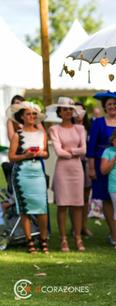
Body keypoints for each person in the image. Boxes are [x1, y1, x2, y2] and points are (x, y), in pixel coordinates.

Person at [87, 91, 116, 246]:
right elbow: (91, 145)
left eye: (114, 104)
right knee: (107, 198)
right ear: (105, 107)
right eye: (109, 104)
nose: (112, 107)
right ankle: (114, 233)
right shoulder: (98, 122)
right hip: (103, 161)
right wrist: (92, 167)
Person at [7, 102, 49, 253]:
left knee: (42, 207)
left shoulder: (41, 134)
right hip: (22, 173)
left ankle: (43, 240)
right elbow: (11, 157)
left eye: (34, 114)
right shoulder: (18, 135)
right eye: (28, 114)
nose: (32, 116)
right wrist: (25, 155)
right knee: (25, 208)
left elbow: (47, 153)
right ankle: (29, 241)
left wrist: (39, 154)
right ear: (22, 117)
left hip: (37, 172)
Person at [47, 97, 87, 252]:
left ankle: (77, 237)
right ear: (59, 112)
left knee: (77, 205)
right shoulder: (54, 129)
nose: (68, 112)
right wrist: (73, 152)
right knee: (63, 205)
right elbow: (58, 151)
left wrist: (71, 151)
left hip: (77, 169)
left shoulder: (80, 129)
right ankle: (63, 239)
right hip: (62, 169)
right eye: (64, 109)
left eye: (70, 109)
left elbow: (84, 149)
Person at [73, 101, 93, 237]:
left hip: (85, 163)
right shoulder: (69, 128)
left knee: (85, 198)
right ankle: (75, 226)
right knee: (73, 198)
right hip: (73, 163)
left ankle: (83, 226)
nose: (79, 115)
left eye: (81, 112)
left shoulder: (89, 129)